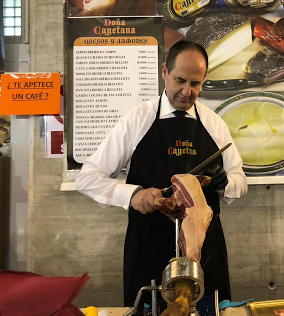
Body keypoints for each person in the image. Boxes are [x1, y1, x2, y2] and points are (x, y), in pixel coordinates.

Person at [76, 40, 248, 310]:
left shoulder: (214, 123)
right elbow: (87, 177)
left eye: (195, 84)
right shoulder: (138, 119)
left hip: (204, 247)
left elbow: (240, 181)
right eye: (179, 80)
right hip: (149, 246)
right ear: (164, 71)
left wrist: (225, 182)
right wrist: (132, 194)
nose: (186, 91)